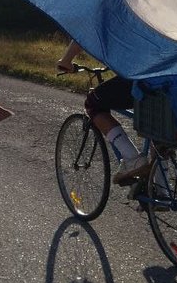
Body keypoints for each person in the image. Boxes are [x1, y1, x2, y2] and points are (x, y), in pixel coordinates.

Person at [56, 39, 149, 184]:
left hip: (138, 79)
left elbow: (85, 32)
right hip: (168, 79)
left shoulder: (122, 15)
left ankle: (132, 158)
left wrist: (66, 60)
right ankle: (159, 189)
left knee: (93, 103)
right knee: (161, 130)